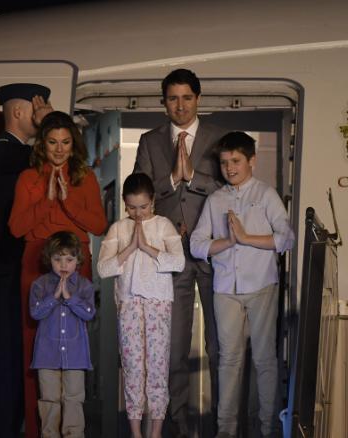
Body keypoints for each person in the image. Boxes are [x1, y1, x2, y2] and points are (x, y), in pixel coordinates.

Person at [133, 68, 226, 437]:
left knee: (220, 342)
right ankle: (177, 420)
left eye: (187, 97)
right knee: (172, 345)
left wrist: (195, 179)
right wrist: (172, 179)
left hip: (214, 253)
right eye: (173, 98)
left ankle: (224, 418)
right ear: (164, 103)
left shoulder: (219, 138)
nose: (180, 105)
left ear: (198, 99)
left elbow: (229, 185)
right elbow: (139, 193)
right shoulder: (150, 140)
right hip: (168, 256)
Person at [189, 132, 295, 438]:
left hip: (262, 285)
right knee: (228, 360)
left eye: (235, 161)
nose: (229, 168)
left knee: (264, 359)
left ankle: (269, 429)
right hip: (225, 289)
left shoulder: (266, 194)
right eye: (224, 163)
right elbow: (196, 245)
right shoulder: (216, 199)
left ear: (251, 161)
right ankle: (226, 430)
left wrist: (247, 239)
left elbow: (286, 237)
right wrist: (226, 242)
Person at [9, 110, 107, 438]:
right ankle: (40, 431)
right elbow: (16, 227)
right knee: (35, 346)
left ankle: (73, 430)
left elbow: (98, 225)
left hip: (77, 263)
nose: (59, 148)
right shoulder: (29, 177)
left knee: (75, 340)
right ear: (43, 144)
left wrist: (68, 204)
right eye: (52, 142)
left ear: (73, 144)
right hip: (36, 260)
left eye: (65, 142)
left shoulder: (85, 177)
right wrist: (47, 202)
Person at [0, 82, 52, 438]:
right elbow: (53, 163)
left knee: (17, 355)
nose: (40, 115)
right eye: (37, 109)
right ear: (19, 112)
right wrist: (51, 125)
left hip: (7, 272)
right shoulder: (9, 154)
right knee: (10, 358)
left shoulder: (10, 153)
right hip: (7, 272)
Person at [97, 173, 186, 438]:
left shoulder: (163, 225)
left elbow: (178, 262)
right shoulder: (118, 229)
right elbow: (103, 268)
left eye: (143, 207)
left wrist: (146, 247)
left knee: (157, 368)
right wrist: (130, 247)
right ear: (125, 203)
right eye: (133, 207)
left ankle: (155, 432)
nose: (138, 213)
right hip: (129, 305)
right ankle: (135, 433)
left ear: (153, 202)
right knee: (133, 368)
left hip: (158, 303)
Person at [29, 231, 95, 438]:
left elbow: (88, 313)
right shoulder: (40, 285)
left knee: (74, 399)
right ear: (50, 259)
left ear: (78, 260)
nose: (63, 264)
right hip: (46, 356)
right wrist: (54, 295)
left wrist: (69, 296)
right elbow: (36, 312)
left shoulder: (85, 286)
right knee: (49, 400)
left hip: (76, 357)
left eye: (69, 259)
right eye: (58, 259)